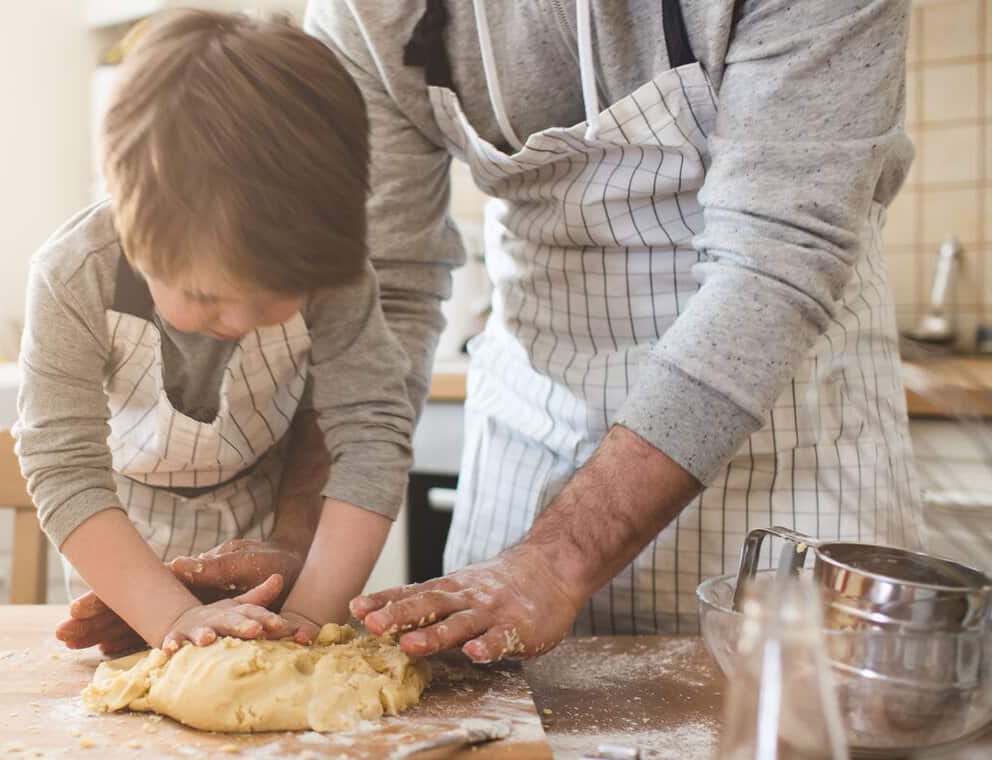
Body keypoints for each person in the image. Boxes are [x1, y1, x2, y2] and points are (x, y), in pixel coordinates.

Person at [60, 0, 920, 664]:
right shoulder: (369, 12)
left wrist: (559, 558)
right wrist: (300, 552)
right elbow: (378, 295)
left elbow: (776, 261)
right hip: (530, 434)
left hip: (786, 443)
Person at [17, 8, 416, 654]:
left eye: (270, 299)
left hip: (275, 547)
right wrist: (169, 618)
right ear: (133, 236)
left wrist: (310, 617)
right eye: (204, 295)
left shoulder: (331, 270)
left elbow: (372, 436)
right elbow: (64, 468)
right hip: (125, 548)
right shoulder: (74, 277)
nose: (236, 323)